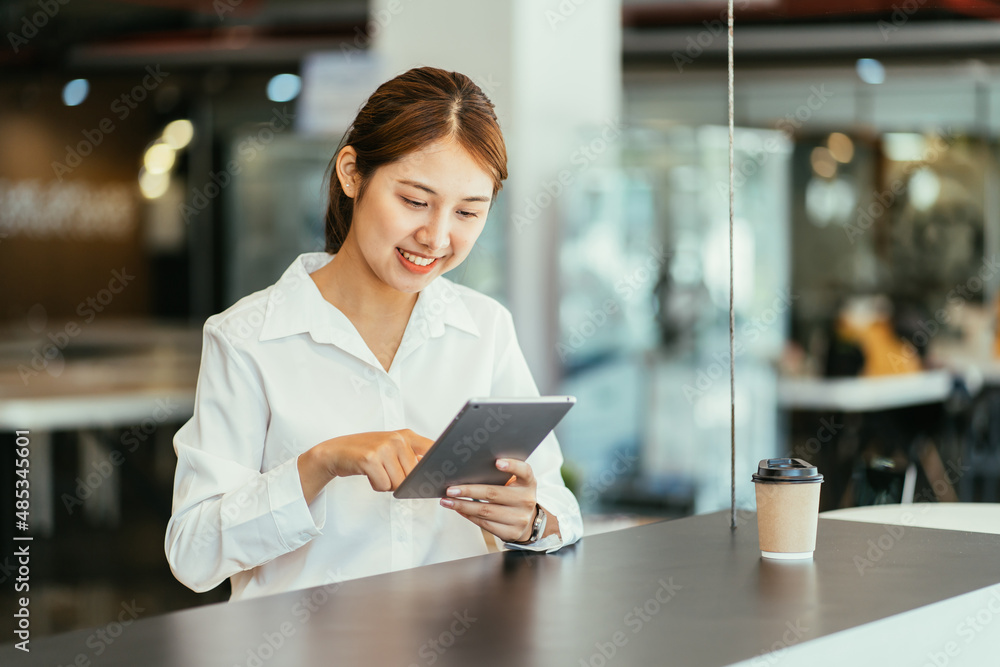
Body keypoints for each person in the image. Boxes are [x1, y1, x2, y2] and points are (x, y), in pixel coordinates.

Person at [164, 66, 583, 601]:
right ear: (351, 173)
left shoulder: (485, 329)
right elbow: (192, 554)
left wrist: (530, 520)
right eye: (414, 201)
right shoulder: (247, 337)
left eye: (468, 212)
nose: (436, 236)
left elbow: (561, 512)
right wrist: (319, 465)